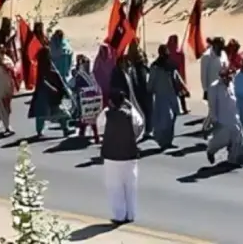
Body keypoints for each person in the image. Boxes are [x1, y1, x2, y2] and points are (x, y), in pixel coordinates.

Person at [100, 88, 144, 224]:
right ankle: (131, 215)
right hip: (129, 154)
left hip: (111, 156)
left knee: (115, 186)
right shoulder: (131, 114)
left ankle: (119, 215)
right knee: (130, 186)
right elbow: (140, 125)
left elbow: (100, 127)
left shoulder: (106, 114)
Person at [148, 44, 187, 149]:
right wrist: (150, 89)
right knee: (165, 119)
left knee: (173, 116)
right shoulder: (155, 66)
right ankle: (161, 139)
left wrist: (184, 88)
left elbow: (177, 77)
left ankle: (168, 141)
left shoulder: (171, 65)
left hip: (172, 95)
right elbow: (151, 80)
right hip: (161, 96)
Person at [29, 47, 71, 138]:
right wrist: (52, 88)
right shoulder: (42, 68)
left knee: (59, 113)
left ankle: (65, 129)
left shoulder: (48, 66)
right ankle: (40, 132)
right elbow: (42, 81)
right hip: (45, 96)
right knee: (43, 114)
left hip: (50, 97)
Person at [206, 67, 243, 165]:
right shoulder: (214, 87)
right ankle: (211, 150)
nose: (228, 79)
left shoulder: (232, 85)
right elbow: (212, 105)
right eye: (225, 77)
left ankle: (232, 160)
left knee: (237, 138)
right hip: (222, 120)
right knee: (221, 140)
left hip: (234, 117)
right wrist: (214, 120)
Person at [72, 54, 101, 143]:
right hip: (83, 100)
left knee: (92, 119)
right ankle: (82, 133)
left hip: (92, 100)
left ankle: (95, 136)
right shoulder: (79, 75)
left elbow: (95, 84)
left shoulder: (91, 74)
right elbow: (76, 86)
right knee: (84, 117)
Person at [0, 44, 16, 136]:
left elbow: (13, 71)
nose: (1, 52)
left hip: (8, 86)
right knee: (1, 106)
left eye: (2, 50)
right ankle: (7, 126)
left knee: (6, 107)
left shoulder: (8, 60)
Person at [165, 35, 188, 114]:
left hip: (168, 75)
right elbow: (181, 67)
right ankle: (183, 108)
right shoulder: (179, 54)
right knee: (180, 93)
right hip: (175, 75)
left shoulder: (166, 50)